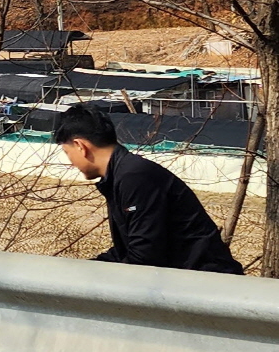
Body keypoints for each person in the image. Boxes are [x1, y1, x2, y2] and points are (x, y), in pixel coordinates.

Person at [54, 106, 244, 275]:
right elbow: (128, 252)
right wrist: (84, 271)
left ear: (80, 146)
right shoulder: (121, 175)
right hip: (190, 282)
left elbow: (144, 257)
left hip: (206, 284)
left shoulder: (134, 176)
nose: (71, 162)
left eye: (67, 152)